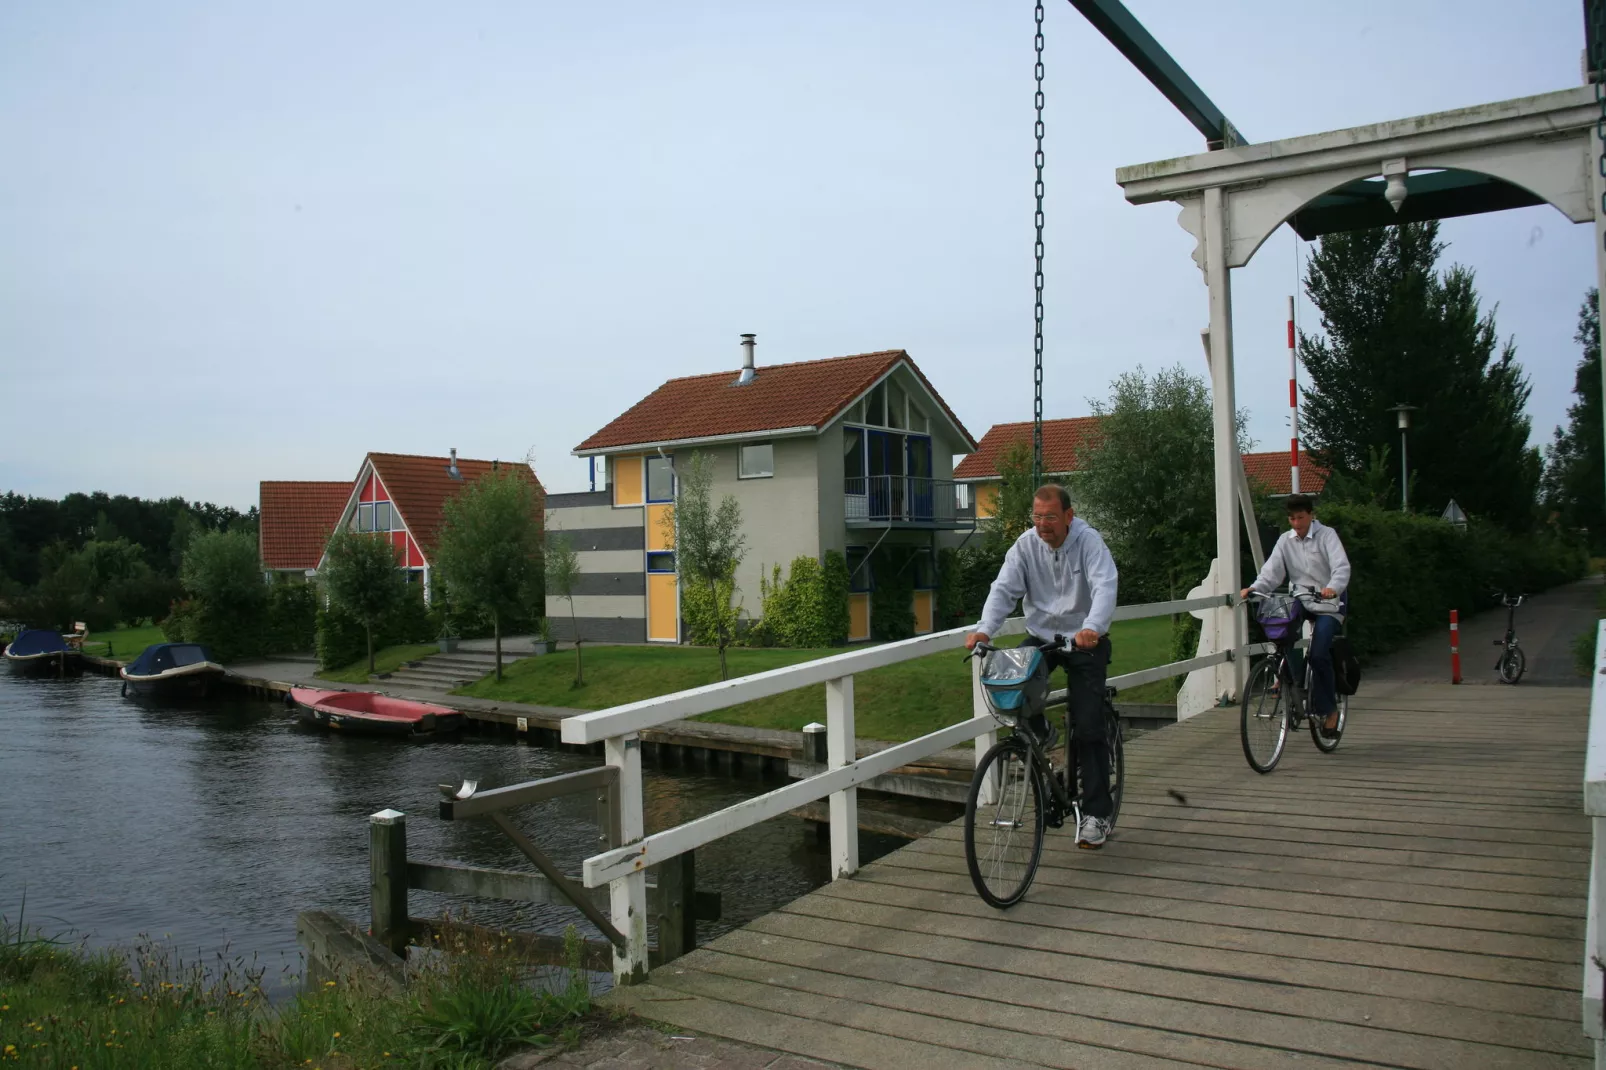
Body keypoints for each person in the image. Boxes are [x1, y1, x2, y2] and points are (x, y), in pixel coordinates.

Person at [966, 485, 1119, 849]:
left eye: (1050, 517)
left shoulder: (1089, 542)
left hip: (1084, 639)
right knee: (1011, 684)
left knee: (1088, 723)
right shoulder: (1025, 546)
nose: (1043, 525)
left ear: (1069, 515)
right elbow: (1003, 589)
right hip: (1042, 636)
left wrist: (1092, 628)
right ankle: (1042, 732)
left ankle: (1097, 813)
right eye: (1037, 517)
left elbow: (1105, 586)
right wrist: (985, 630)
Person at [1240, 494, 1351, 736]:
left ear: (1311, 515)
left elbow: (1341, 567)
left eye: (1300, 517)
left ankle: (1329, 709)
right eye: (1292, 518)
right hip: (1300, 599)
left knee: (1319, 652)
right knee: (1281, 634)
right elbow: (1272, 571)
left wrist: (1333, 587)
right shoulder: (1285, 541)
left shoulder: (1327, 536)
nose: (1296, 523)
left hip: (1329, 603)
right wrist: (1255, 589)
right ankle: (1295, 683)